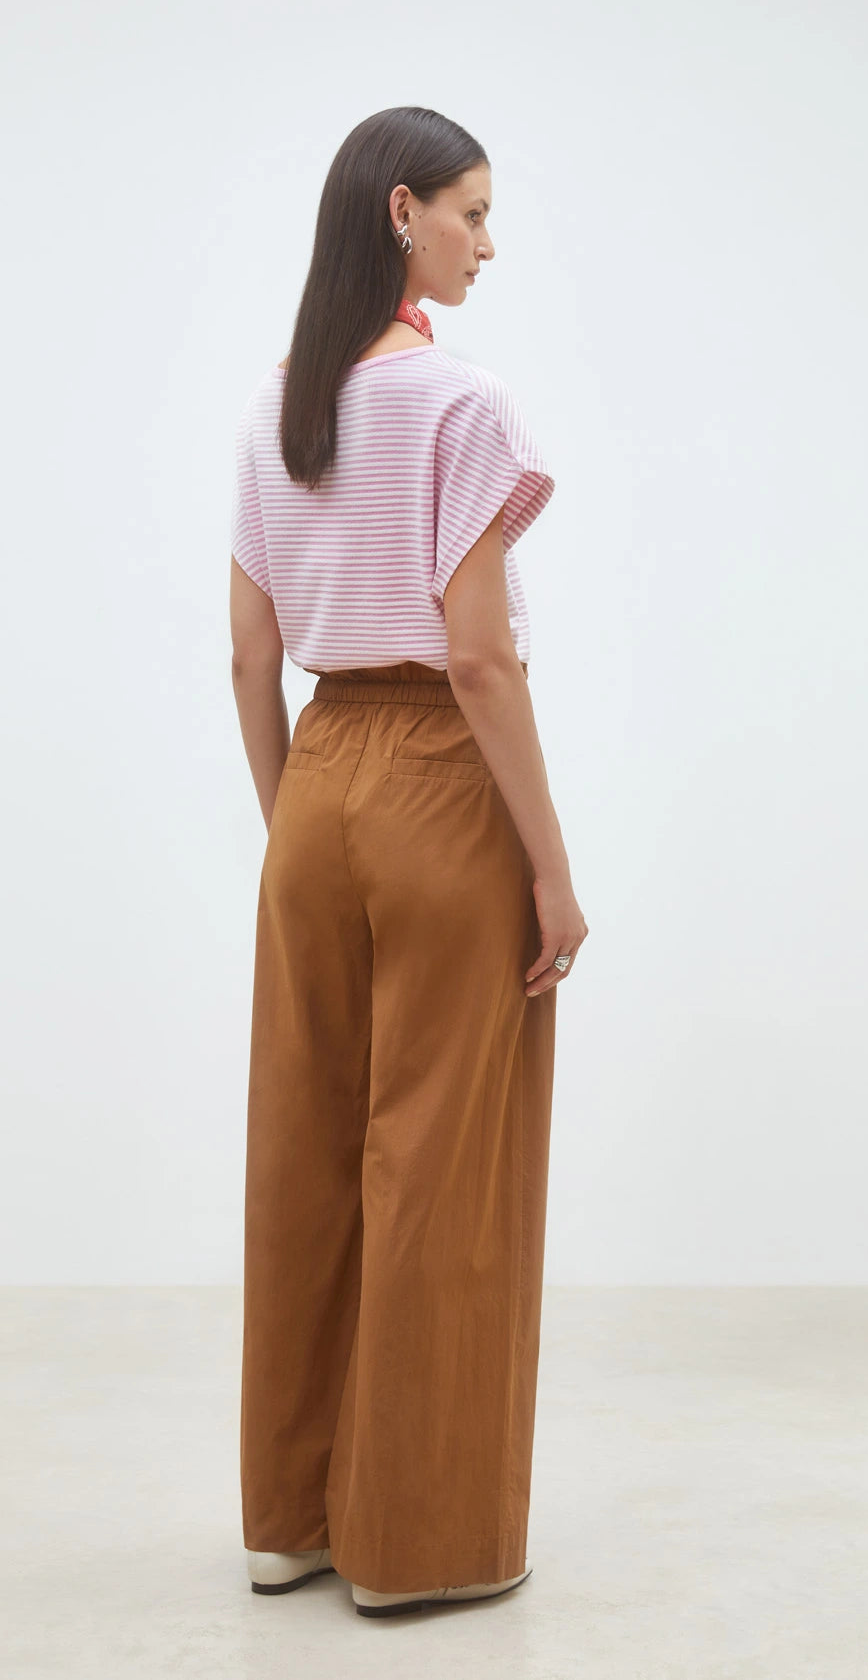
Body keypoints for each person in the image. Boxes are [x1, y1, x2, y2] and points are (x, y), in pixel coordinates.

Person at [229, 105, 589, 1618]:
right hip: (441, 780)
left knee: (307, 1147)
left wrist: (296, 821)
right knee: (443, 1161)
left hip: (316, 783)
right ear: (402, 216)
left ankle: (293, 1518)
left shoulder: (277, 406)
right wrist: (552, 872)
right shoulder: (461, 404)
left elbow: (249, 657)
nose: (488, 242)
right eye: (473, 211)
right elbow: (481, 661)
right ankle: (418, 1541)